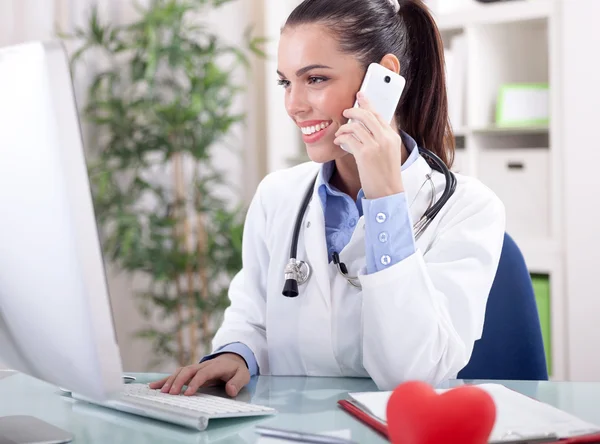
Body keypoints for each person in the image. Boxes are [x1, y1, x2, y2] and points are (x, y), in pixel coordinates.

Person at [150, 0, 505, 396]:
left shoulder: (469, 208)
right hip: (288, 431)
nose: (294, 105)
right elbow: (250, 318)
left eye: (315, 79)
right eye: (286, 82)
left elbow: (411, 375)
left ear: (382, 78)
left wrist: (385, 197)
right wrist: (236, 355)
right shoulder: (278, 195)